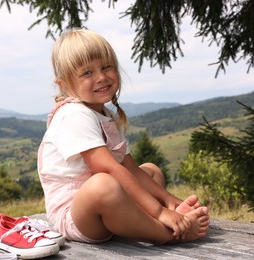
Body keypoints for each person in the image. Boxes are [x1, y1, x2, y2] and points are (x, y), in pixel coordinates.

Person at [37, 28, 210, 245]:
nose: (101, 77)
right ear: (65, 85)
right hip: (77, 216)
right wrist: (159, 212)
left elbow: (130, 168)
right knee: (104, 184)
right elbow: (109, 169)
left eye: (106, 67)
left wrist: (169, 201)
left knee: (152, 172)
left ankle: (155, 219)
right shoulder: (73, 114)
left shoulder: (105, 114)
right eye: (87, 73)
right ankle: (167, 234)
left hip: (110, 201)